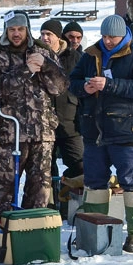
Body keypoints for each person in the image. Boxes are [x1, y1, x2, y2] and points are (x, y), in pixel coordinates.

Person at [71, 15, 133, 252]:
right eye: (104, 36)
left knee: (131, 181)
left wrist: (111, 85)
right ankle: (93, 230)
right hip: (93, 129)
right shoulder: (90, 54)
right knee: (94, 182)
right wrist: (83, 88)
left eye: (112, 37)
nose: (107, 41)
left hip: (126, 130)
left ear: (123, 35)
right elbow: (73, 80)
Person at [0, 12, 68, 220]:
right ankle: (6, 242)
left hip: (41, 133)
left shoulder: (43, 51)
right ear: (6, 31)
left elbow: (60, 88)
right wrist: (25, 70)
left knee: (40, 190)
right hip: (7, 134)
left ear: (27, 29)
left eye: (20, 29)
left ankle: (31, 237)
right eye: (12, 30)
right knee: (5, 191)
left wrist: (47, 66)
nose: (16, 34)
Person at [39, 19, 84, 207]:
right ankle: (49, 207)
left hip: (70, 120)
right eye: (42, 34)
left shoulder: (74, 57)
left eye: (49, 34)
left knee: (79, 164)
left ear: (58, 37)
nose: (45, 37)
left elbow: (82, 88)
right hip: (43, 122)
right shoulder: (36, 56)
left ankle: (71, 203)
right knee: (45, 168)